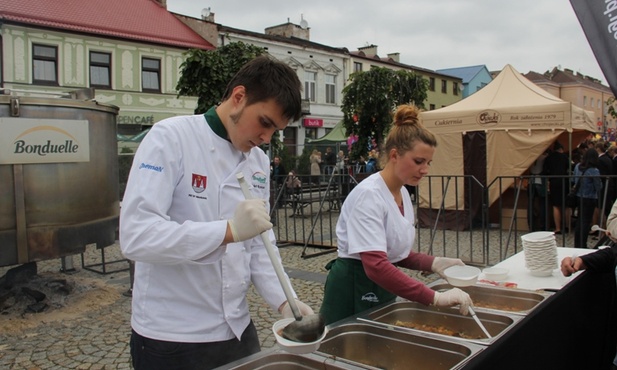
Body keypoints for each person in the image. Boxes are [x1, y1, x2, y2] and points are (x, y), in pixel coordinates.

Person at [119, 56, 315, 370]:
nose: (266, 138)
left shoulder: (258, 163)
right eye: (264, 123)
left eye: (276, 130)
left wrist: (287, 302)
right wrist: (228, 231)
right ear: (239, 97)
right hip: (172, 335)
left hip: (236, 330)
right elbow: (136, 236)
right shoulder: (171, 138)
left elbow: (260, 247)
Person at [319, 104, 473, 325]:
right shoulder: (369, 195)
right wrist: (434, 297)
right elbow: (376, 265)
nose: (425, 170)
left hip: (381, 286)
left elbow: (394, 253)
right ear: (394, 155)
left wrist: (434, 263)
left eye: (428, 163)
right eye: (418, 161)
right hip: (354, 286)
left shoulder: (401, 192)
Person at [572, 148, 602, 249]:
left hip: (578, 196)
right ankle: (582, 244)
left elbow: (574, 180)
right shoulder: (594, 170)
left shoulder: (577, 167)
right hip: (589, 197)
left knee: (579, 221)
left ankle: (577, 244)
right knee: (585, 222)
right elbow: (598, 186)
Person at [543, 141, 570, 234]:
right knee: (566, 205)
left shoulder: (549, 158)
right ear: (561, 149)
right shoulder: (565, 157)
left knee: (556, 205)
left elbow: (545, 171)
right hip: (565, 181)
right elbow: (569, 168)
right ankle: (567, 226)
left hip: (554, 181)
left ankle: (558, 228)